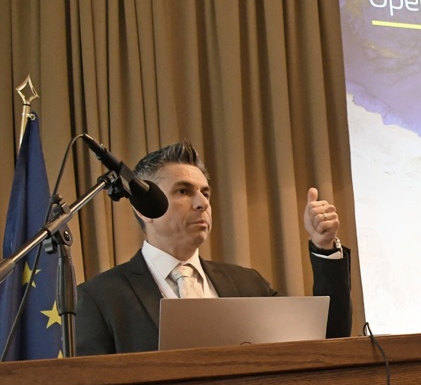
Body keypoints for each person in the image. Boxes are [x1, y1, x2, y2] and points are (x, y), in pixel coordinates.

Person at [76, 141, 352, 355]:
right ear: (144, 208)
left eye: (205, 193)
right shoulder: (100, 298)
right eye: (183, 191)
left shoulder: (247, 284)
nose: (203, 203)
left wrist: (324, 247)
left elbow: (328, 339)